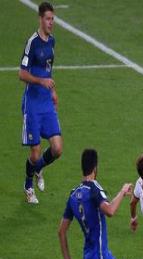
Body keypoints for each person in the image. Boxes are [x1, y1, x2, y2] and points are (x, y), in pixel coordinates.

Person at [19, 2, 63, 204]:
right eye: (47, 19)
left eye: (53, 19)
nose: (51, 22)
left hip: (46, 103)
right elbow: (22, 74)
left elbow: (48, 70)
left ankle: (38, 169)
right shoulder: (32, 43)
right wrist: (41, 82)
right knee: (35, 153)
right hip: (33, 105)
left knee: (57, 149)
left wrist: (52, 91)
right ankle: (28, 186)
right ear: (40, 19)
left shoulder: (52, 41)